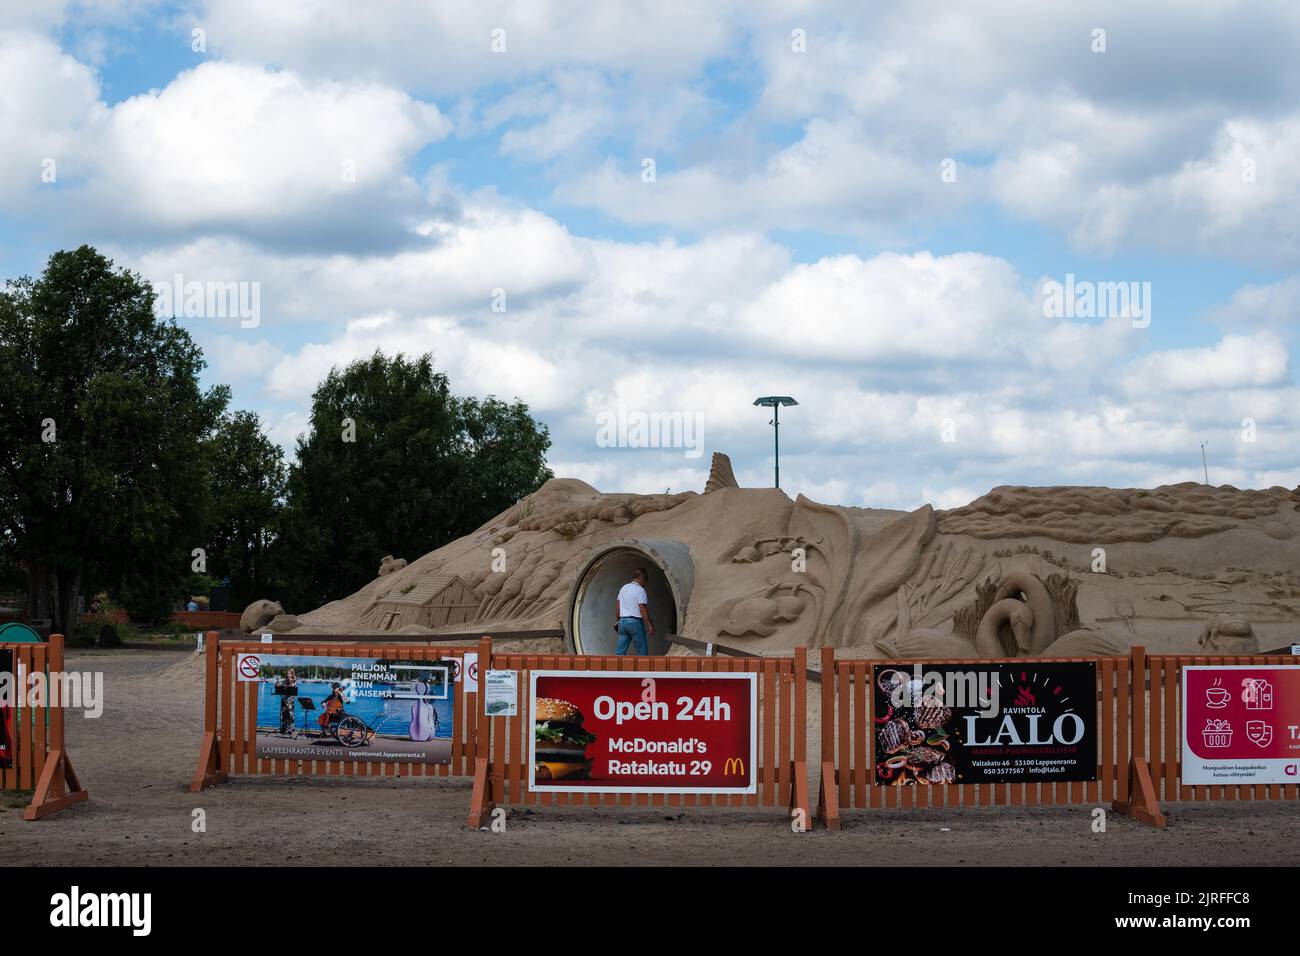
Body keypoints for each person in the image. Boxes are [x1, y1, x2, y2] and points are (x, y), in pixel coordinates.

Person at [613, 568, 655, 656]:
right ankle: (643, 669)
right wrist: (650, 625)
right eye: (646, 579)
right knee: (642, 651)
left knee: (620, 652)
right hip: (634, 622)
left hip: (622, 622)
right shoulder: (640, 590)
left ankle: (617, 669)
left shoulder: (623, 588)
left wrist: (618, 621)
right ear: (642, 578)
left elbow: (618, 607)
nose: (646, 582)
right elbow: (642, 609)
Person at [276, 668, 298, 734]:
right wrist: (277, 682)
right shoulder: (284, 681)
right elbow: (277, 686)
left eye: (289, 673)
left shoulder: (293, 681)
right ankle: (283, 728)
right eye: (287, 673)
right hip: (284, 699)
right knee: (283, 713)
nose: (288, 674)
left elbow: (292, 686)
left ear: (292, 674)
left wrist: (290, 682)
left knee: (290, 714)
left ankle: (291, 728)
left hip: (290, 701)